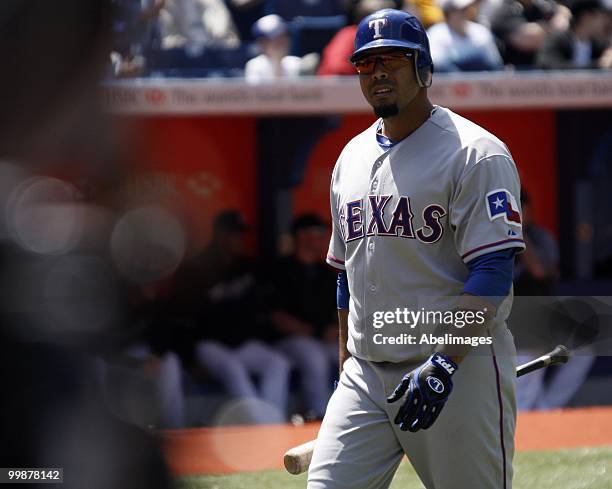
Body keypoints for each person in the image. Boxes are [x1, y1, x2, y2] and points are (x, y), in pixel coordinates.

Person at [308, 9, 525, 489]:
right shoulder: (350, 157)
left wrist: (445, 363)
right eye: (366, 63)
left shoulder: (475, 152)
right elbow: (346, 272)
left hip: (457, 367)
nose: (378, 71)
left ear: (424, 69)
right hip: (366, 373)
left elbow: (492, 272)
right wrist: (347, 363)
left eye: (393, 59)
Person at [171, 210, 291, 422]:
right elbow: (183, 317)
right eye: (235, 234)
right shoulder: (196, 268)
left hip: (240, 343)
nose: (240, 239)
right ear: (221, 234)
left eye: (240, 234)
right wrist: (188, 358)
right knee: (233, 368)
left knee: (277, 363)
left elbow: (260, 307)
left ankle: (272, 423)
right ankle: (259, 425)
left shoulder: (246, 267)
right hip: (208, 344)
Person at [266, 214, 339, 419]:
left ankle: (350, 414)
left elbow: (337, 314)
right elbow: (276, 316)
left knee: (350, 354)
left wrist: (335, 330)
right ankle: (320, 414)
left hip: (321, 340)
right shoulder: (280, 269)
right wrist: (314, 332)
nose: (323, 239)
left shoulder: (324, 273)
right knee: (314, 355)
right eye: (318, 234)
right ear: (302, 236)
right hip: (284, 342)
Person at [427, 0, 504, 71]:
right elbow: (437, 65)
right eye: (458, 10)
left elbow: (494, 64)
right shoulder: (436, 34)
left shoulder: (481, 31)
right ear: (447, 13)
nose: (463, 13)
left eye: (465, 9)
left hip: (482, 83)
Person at [490, 0, 571, 68]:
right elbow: (529, 38)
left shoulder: (541, 6)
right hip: (514, 72)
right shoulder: (505, 9)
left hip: (542, 70)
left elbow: (563, 13)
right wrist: (553, 30)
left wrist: (562, 14)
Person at [536, 0, 612, 69]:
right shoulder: (557, 40)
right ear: (587, 17)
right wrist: (598, 65)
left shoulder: (598, 45)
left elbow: (606, 60)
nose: (605, 21)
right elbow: (547, 64)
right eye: (601, 16)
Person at [245, 14, 302, 82]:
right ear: (263, 43)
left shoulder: (296, 63)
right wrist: (277, 62)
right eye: (277, 40)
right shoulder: (255, 66)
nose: (283, 42)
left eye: (284, 36)